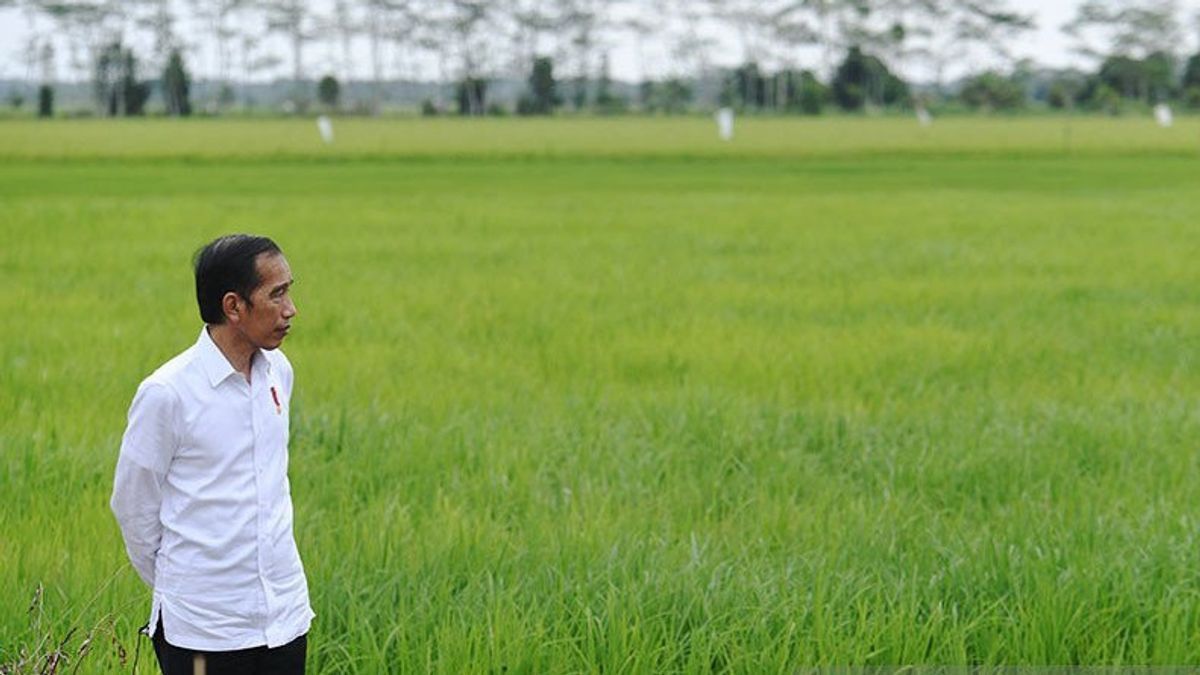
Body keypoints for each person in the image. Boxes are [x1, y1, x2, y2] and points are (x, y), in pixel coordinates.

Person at [111, 234, 312, 674]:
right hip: (204, 632)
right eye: (276, 294)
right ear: (233, 306)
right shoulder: (168, 394)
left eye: (289, 290)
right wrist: (184, 585)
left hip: (284, 616)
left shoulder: (279, 372)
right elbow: (133, 505)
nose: (290, 308)